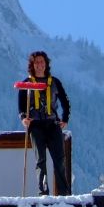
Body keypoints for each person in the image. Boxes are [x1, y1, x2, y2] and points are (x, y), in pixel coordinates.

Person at [17, 50, 71, 195]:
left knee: (59, 159)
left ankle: (64, 193)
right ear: (32, 65)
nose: (39, 65)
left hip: (53, 124)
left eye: (42, 62)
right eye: (36, 62)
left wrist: (65, 119)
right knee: (40, 160)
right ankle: (43, 193)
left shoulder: (55, 82)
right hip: (35, 126)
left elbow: (65, 102)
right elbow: (21, 106)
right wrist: (24, 118)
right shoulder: (26, 83)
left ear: (46, 64)